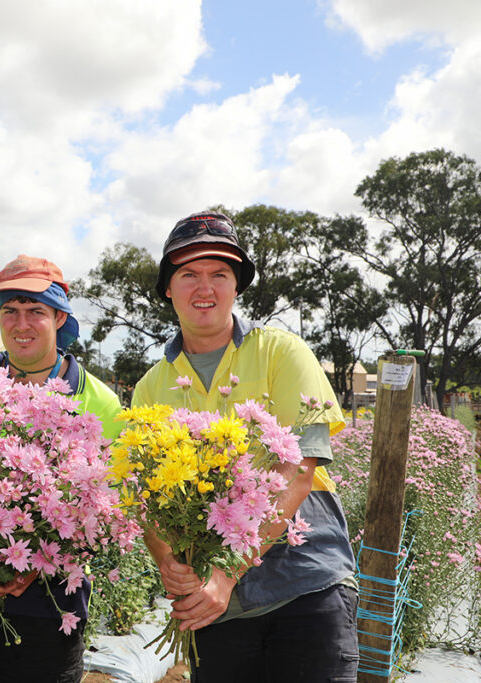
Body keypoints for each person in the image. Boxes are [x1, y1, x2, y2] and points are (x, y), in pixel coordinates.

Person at [132, 211, 359, 681]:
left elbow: (302, 467)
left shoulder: (281, 350)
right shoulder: (150, 388)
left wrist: (227, 573)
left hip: (306, 580)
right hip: (217, 605)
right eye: (188, 274)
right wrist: (167, 561)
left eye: (220, 275)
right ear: (167, 290)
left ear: (237, 288)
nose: (205, 288)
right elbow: (142, 498)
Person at [0, 254, 123, 683]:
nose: (21, 324)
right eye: (10, 312)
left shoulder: (99, 403)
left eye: (35, 311)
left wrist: (35, 562)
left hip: (51, 607)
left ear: (59, 317)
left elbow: (114, 510)